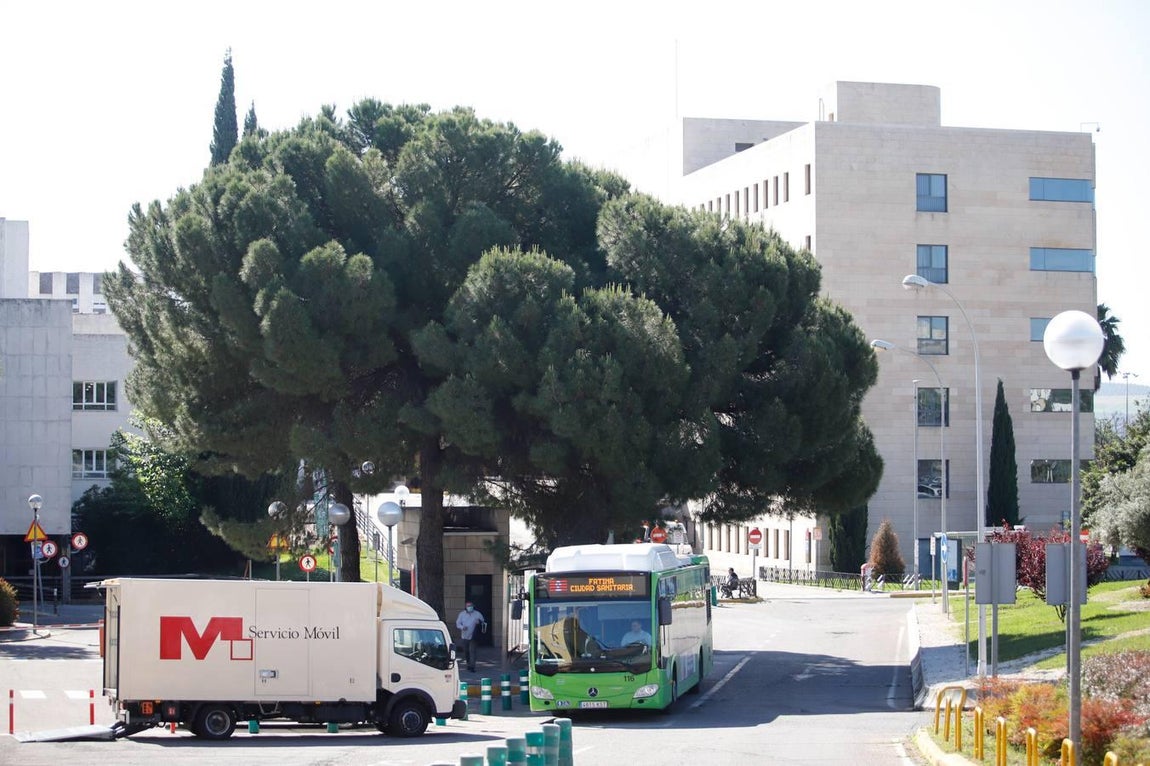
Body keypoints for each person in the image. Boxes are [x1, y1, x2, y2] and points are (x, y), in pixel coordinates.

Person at [455, 601, 487, 673]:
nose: (470, 607)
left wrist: (479, 623)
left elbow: (483, 623)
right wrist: (462, 627)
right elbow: (458, 623)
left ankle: (472, 666)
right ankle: (468, 664)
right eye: (468, 606)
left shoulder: (477, 614)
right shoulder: (462, 614)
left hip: (474, 636)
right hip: (465, 636)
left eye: (471, 606)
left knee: (472, 651)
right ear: (466, 607)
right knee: (466, 651)